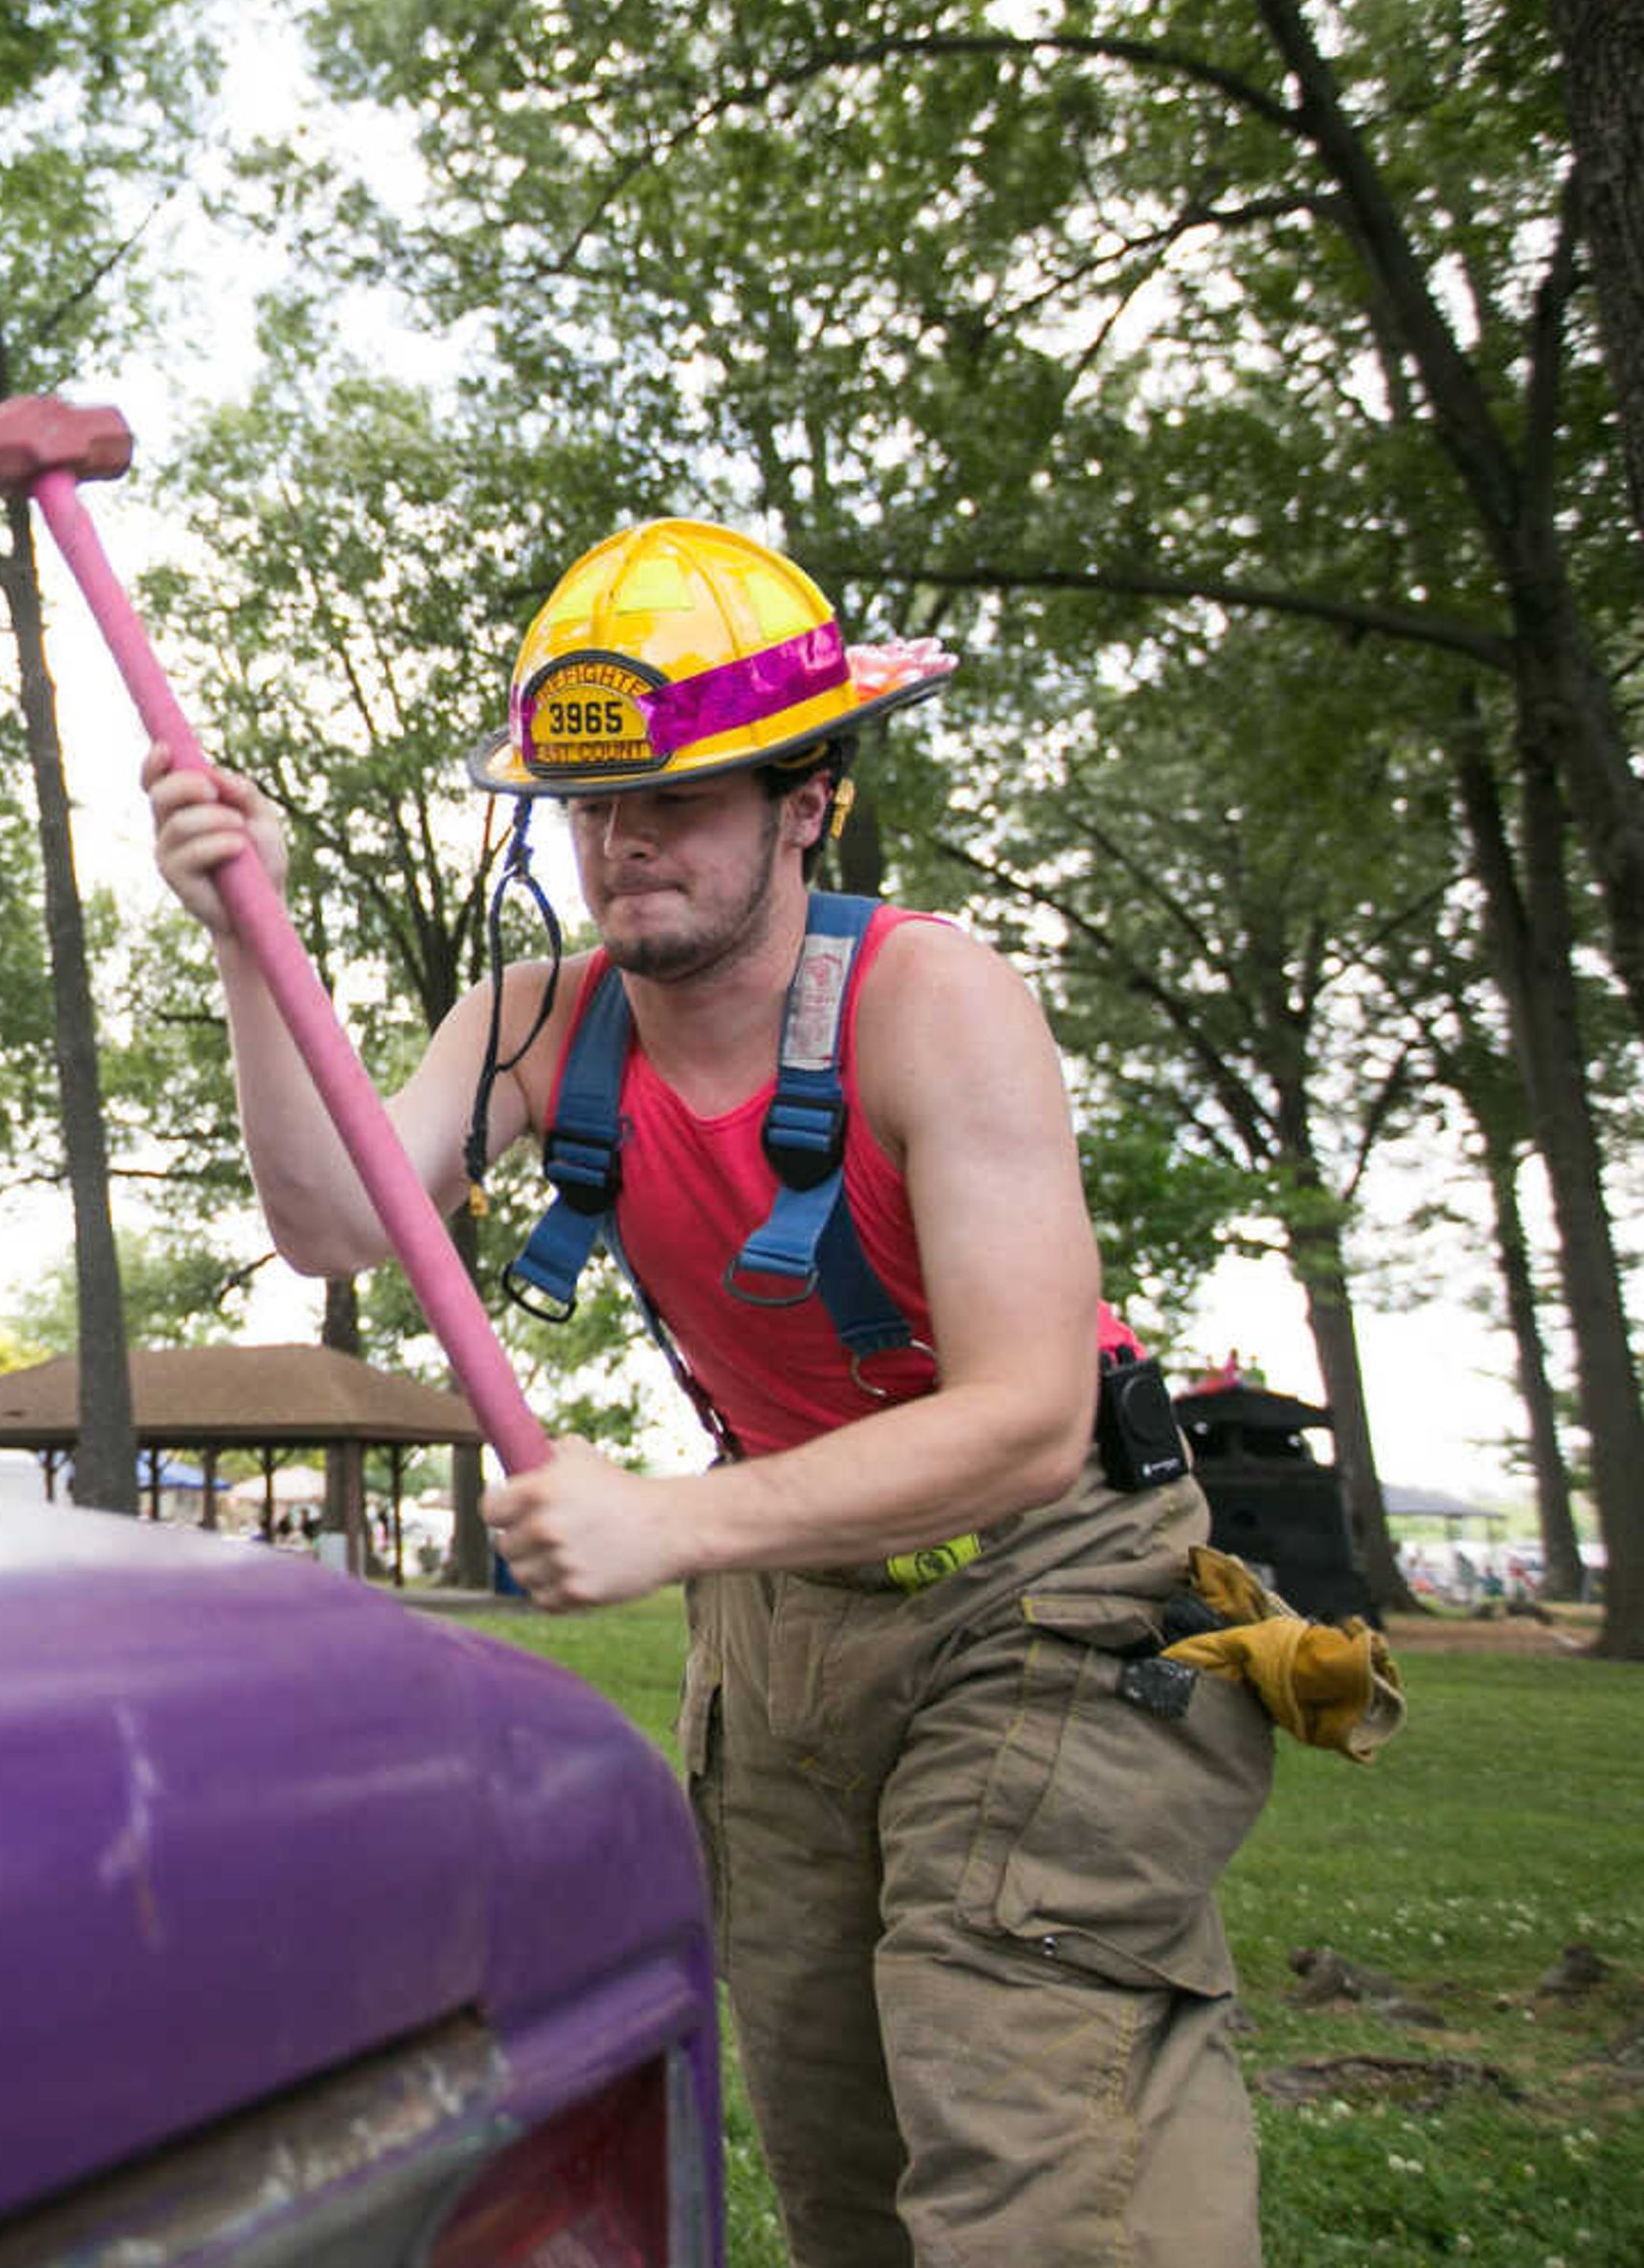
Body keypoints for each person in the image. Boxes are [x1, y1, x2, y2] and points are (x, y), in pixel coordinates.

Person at [149, 519, 1275, 2268]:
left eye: (676, 796)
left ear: (807, 796)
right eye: (594, 806)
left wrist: (667, 1521)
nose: (625, 842)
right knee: (839, 2147)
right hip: (794, 1612)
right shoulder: (537, 1016)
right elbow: (328, 1223)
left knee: (1027, 2110)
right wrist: (246, 935)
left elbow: (1031, 1416)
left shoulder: (934, 998)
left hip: (1059, 1583)